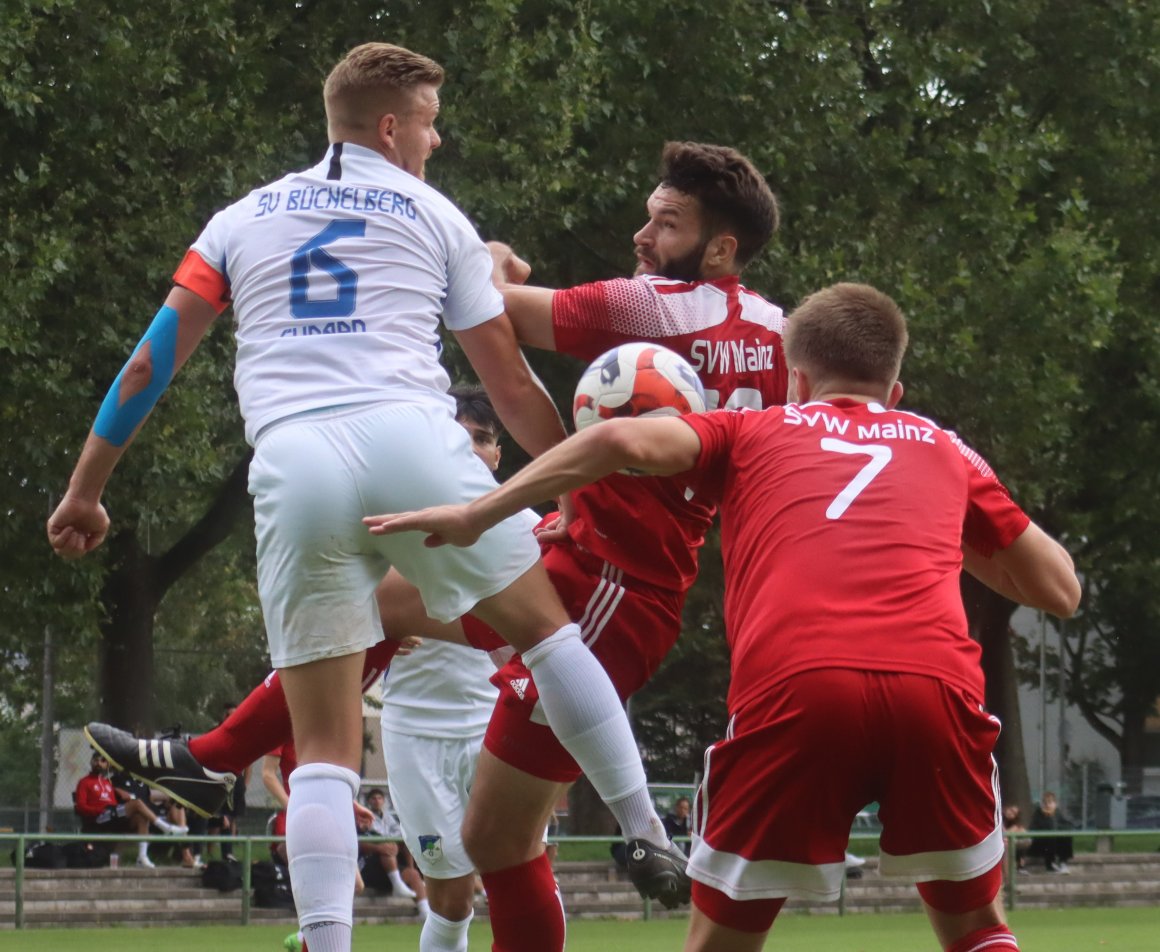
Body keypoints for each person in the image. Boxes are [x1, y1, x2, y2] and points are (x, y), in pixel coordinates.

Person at [53, 42, 677, 952]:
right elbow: (506, 385)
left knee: (324, 757)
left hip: (294, 460)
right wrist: (573, 488)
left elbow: (150, 363)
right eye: (427, 121)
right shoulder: (435, 212)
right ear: (390, 126)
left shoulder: (239, 218)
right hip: (411, 437)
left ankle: (328, 940)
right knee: (550, 636)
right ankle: (647, 832)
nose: (436, 137)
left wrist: (84, 491)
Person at [364, 281, 1083, 952]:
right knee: (976, 928)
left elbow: (618, 442)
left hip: (800, 690)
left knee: (722, 940)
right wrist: (942, 534)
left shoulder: (753, 430)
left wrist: (477, 511)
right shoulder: (945, 447)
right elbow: (1059, 589)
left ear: (796, 379)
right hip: (936, 689)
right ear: (895, 391)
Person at [373, 140, 787, 952]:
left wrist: (489, 255)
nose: (642, 236)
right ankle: (213, 753)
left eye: (665, 223)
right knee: (380, 601)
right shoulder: (779, 335)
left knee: (497, 840)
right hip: (608, 570)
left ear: (722, 246)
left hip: (606, 585)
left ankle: (644, 827)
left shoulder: (653, 307)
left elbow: (487, 309)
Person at [74, 752, 187, 868]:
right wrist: (100, 809)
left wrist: (118, 802)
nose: (98, 763)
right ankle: (165, 827)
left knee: (141, 817)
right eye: (95, 760)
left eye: (102, 761)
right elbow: (80, 807)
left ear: (107, 765)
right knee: (136, 803)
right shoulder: (84, 782)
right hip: (99, 817)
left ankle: (142, 857)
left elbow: (114, 802)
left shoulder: (107, 783)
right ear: (91, 762)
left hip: (113, 815)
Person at [1028, 791, 1074, 874]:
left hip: (1056, 841)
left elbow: (1067, 824)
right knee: (1050, 837)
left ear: (1055, 803)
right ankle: (1050, 865)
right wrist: (1049, 819)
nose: (1047, 805)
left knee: (1066, 837)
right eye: (1045, 803)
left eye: (1050, 802)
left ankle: (1063, 862)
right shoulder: (1038, 813)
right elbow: (1033, 828)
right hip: (1041, 843)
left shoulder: (1057, 813)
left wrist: (1055, 823)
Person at [1002, 804, 1031, 873]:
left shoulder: (1015, 824)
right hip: (1001, 844)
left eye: (1014, 813)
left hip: (1010, 844)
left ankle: (1020, 864)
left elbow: (1025, 835)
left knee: (1025, 841)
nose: (1010, 813)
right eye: (1010, 810)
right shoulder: (1000, 817)